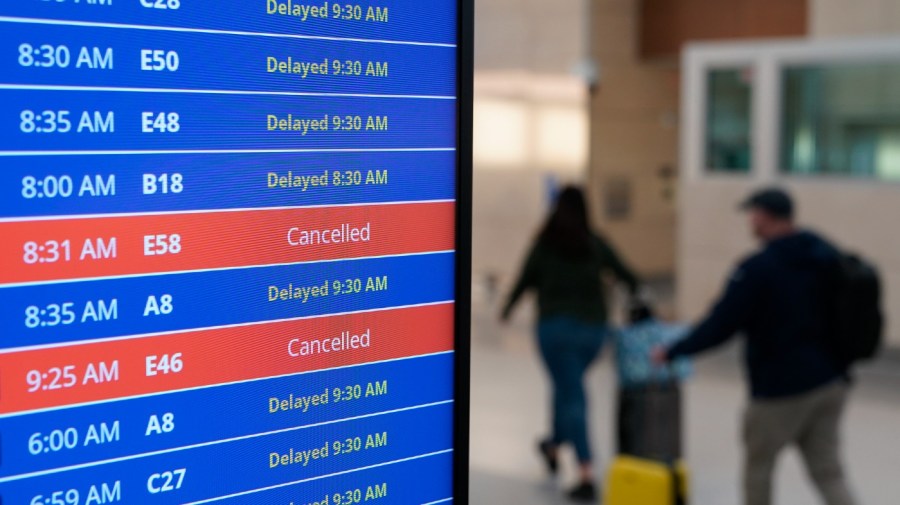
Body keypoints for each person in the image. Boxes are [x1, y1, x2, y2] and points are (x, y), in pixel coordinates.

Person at [652, 188, 858, 505]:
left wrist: (674, 350)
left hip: (780, 390)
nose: (751, 221)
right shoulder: (824, 254)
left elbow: (721, 323)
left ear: (765, 216)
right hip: (831, 382)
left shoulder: (759, 268)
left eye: (753, 214)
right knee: (829, 472)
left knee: (759, 469)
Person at [501, 185, 638, 502]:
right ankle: (551, 446)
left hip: (554, 332)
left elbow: (524, 279)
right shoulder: (595, 244)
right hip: (593, 333)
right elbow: (629, 275)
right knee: (567, 388)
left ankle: (586, 472)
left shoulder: (544, 244)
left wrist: (507, 309)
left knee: (571, 394)